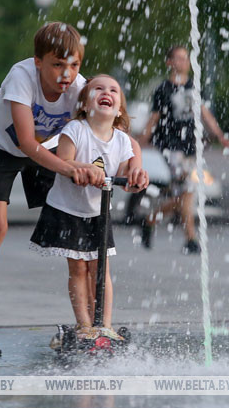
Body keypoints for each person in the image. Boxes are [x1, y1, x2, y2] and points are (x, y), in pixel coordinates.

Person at [0, 22, 147, 355]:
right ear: (38, 62)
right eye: (57, 64)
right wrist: (74, 168)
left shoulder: (82, 88)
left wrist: (135, 166)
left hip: (50, 150)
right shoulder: (21, 77)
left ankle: (91, 326)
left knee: (81, 226)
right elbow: (28, 144)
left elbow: (123, 135)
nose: (66, 74)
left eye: (73, 65)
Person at [30, 75, 147, 340]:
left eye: (113, 90)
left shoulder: (121, 140)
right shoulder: (75, 129)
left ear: (119, 109)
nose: (107, 92)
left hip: (98, 212)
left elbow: (129, 170)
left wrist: (137, 174)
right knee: (79, 268)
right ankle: (84, 325)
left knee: (101, 268)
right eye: (98, 88)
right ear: (84, 104)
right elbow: (64, 159)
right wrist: (80, 168)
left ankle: (104, 325)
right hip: (67, 209)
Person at [139, 45, 229, 254]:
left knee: (185, 195)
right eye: (179, 58)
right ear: (169, 63)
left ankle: (150, 219)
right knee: (188, 191)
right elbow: (154, 117)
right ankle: (191, 239)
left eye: (186, 58)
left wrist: (219, 134)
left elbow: (204, 112)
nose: (184, 62)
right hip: (172, 148)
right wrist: (140, 141)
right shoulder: (163, 89)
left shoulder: (192, 86)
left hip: (191, 147)